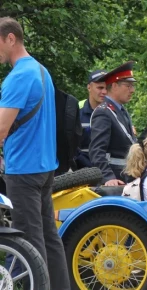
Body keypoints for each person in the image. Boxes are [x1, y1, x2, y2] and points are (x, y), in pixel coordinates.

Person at [0, 17, 70, 288]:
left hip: (24, 169)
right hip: (44, 167)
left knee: (28, 241)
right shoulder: (42, 71)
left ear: (10, 38)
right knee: (49, 239)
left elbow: (2, 127)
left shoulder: (18, 77)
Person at [89, 61, 137, 186]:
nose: (132, 90)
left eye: (132, 86)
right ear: (114, 86)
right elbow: (97, 151)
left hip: (125, 176)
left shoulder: (119, 110)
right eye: (128, 86)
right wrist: (108, 177)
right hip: (114, 180)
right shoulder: (104, 112)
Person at [75, 69, 108, 169]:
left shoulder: (115, 112)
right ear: (89, 87)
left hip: (107, 171)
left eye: (107, 88)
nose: (104, 92)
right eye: (100, 88)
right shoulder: (76, 110)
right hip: (81, 171)